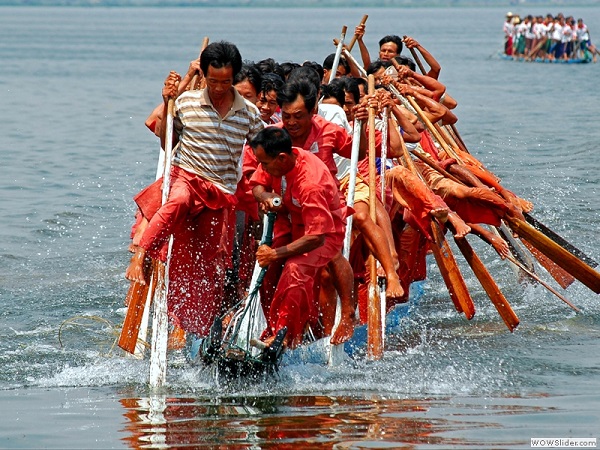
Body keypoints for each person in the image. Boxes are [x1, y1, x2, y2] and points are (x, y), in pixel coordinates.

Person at [125, 41, 264, 339]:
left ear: (234, 78)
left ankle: (195, 330)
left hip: (220, 193)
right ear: (206, 75)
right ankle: (142, 257)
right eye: (213, 81)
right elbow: (166, 142)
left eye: (225, 82)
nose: (217, 88)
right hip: (187, 177)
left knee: (207, 265)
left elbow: (264, 150)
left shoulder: (249, 113)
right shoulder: (186, 103)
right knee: (176, 202)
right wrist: (167, 102)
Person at [249, 127, 348, 349]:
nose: (263, 168)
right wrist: (264, 195)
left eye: (265, 164)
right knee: (267, 273)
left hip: (324, 234)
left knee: (295, 270)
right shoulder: (277, 158)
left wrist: (275, 253)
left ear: (282, 158)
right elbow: (256, 185)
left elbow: (316, 237)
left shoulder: (310, 182)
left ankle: (285, 336)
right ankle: (276, 329)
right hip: (292, 222)